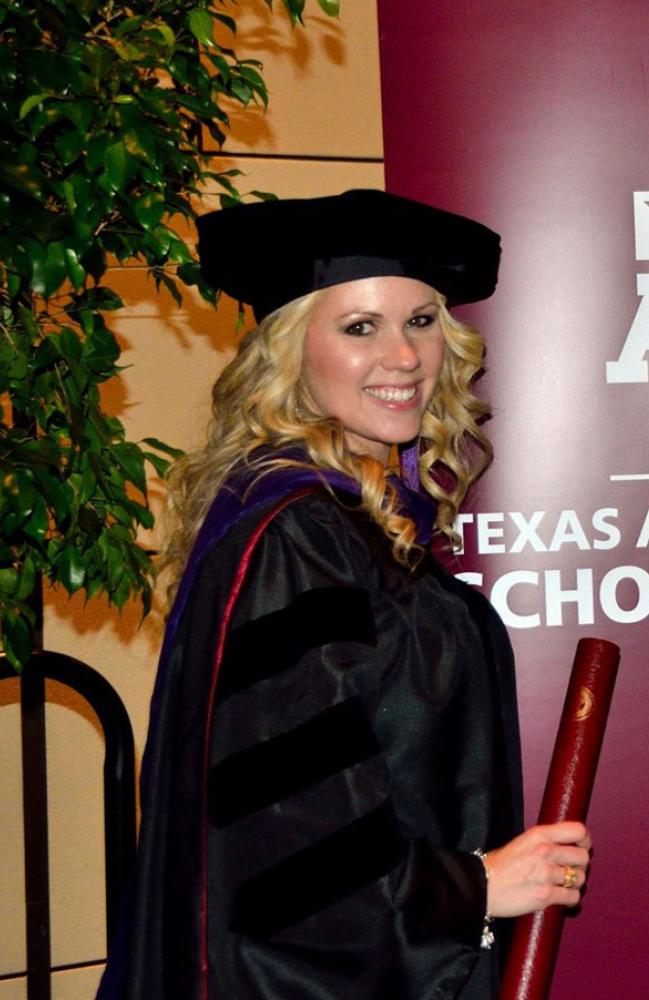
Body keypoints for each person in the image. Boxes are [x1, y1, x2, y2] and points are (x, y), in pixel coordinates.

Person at [99, 189, 592, 998]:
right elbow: (286, 839)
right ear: (291, 351)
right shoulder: (300, 532)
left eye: (422, 321)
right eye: (360, 327)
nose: (404, 357)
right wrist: (473, 888)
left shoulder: (351, 516)